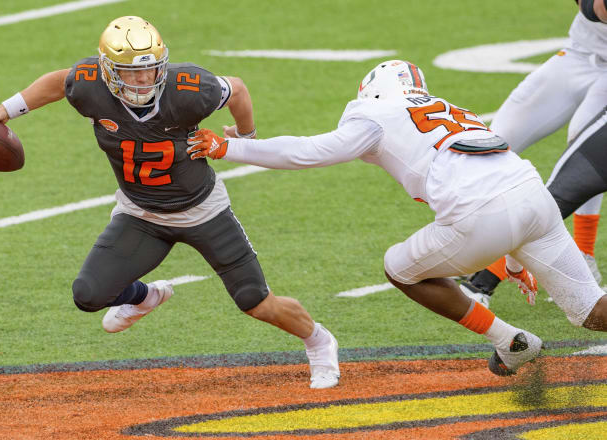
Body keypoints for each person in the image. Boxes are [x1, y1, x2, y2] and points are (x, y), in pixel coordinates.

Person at [0, 16, 340, 389]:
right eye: (132, 71)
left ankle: (319, 342)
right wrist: (3, 111)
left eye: (151, 69)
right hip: (139, 214)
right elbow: (58, 83)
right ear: (108, 69)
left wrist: (245, 136)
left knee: (255, 301)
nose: (144, 79)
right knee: (89, 295)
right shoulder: (90, 84)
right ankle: (145, 297)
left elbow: (237, 89)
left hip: (203, 210)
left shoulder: (188, 87)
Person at [187, 59, 607, 376]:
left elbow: (310, 152)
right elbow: (504, 192)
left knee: (401, 269)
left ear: (370, 90)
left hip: (480, 213)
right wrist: (516, 262)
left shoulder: (374, 113)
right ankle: (512, 342)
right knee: (591, 310)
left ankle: (508, 341)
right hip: (532, 195)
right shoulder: (448, 107)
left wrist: (231, 149)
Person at [460, 0, 607, 306]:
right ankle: (468, 249)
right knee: (494, 141)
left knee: (582, 152)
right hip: (578, 54)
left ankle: (580, 253)